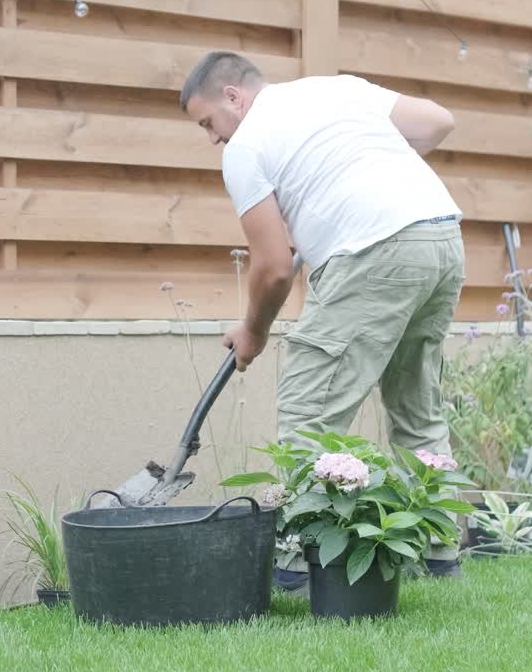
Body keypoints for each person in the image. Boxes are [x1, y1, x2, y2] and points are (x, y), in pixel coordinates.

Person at [179, 51, 468, 579]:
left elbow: (272, 269)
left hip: (374, 250)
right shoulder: (336, 90)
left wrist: (252, 332)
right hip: (441, 236)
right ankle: (442, 554)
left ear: (233, 97)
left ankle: (297, 565)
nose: (211, 137)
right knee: (416, 404)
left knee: (308, 409)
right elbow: (437, 121)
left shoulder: (244, 148)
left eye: (207, 123)